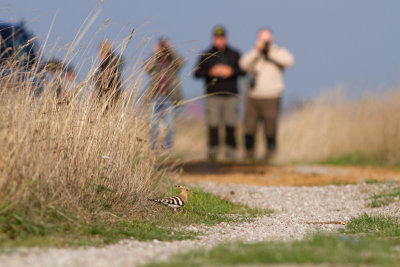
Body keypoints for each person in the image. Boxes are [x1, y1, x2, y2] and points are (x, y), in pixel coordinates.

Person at [239, 28, 294, 160]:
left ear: (272, 39)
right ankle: (249, 155)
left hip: (272, 96)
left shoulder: (279, 51)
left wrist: (269, 52)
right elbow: (242, 64)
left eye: (267, 40)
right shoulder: (254, 54)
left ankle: (270, 155)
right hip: (253, 96)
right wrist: (257, 51)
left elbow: (289, 62)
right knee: (249, 127)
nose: (265, 42)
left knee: (270, 127)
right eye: (262, 39)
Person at [194, 26, 244, 161]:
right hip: (213, 96)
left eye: (221, 38)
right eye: (217, 38)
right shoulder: (206, 54)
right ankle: (212, 153)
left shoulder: (235, 54)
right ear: (213, 39)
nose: (219, 41)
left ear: (226, 38)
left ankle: (231, 153)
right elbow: (196, 73)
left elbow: (244, 70)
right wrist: (211, 71)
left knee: (230, 125)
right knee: (213, 125)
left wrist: (232, 71)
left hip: (231, 95)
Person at [146, 37, 184, 150]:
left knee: (170, 125)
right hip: (155, 95)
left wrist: (170, 49)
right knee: (153, 124)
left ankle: (168, 149)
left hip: (169, 95)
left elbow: (181, 63)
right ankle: (153, 148)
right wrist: (155, 52)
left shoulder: (172, 60)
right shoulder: (155, 59)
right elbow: (147, 67)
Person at [93, 40, 124, 107]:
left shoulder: (112, 63)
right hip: (106, 95)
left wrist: (97, 79)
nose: (100, 56)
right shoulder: (104, 65)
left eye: (102, 53)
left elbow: (109, 81)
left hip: (111, 95)